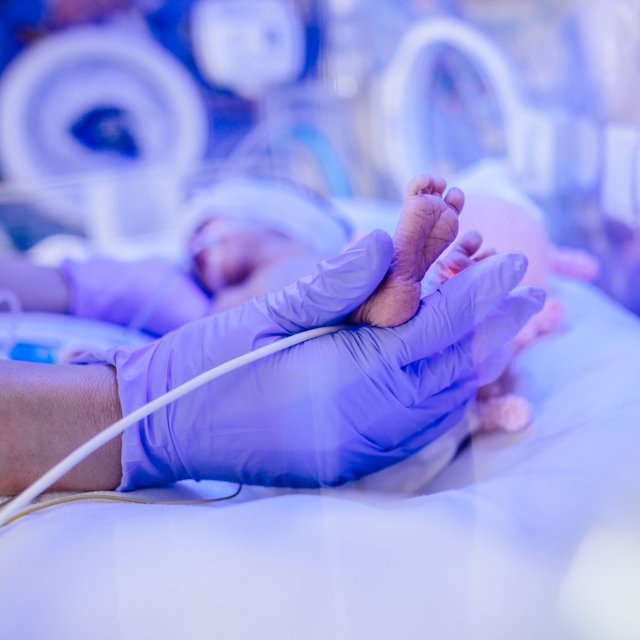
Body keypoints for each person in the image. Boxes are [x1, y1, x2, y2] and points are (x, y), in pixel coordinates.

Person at [0, 174, 544, 495]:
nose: (199, 246)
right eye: (191, 241)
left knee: (341, 302)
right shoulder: (189, 299)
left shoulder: (300, 256)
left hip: (320, 295)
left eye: (214, 225)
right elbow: (91, 292)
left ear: (282, 224)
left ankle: (410, 290)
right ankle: (407, 296)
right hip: (291, 366)